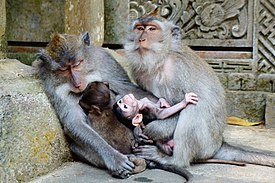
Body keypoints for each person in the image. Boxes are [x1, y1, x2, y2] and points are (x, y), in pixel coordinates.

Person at [113, 92, 198, 155]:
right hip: (166, 139)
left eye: (120, 102)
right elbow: (162, 114)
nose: (124, 100)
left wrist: (161, 100)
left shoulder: (142, 103)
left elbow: (155, 106)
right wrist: (183, 103)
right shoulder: (146, 109)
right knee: (171, 144)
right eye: (125, 106)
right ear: (137, 118)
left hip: (166, 131)